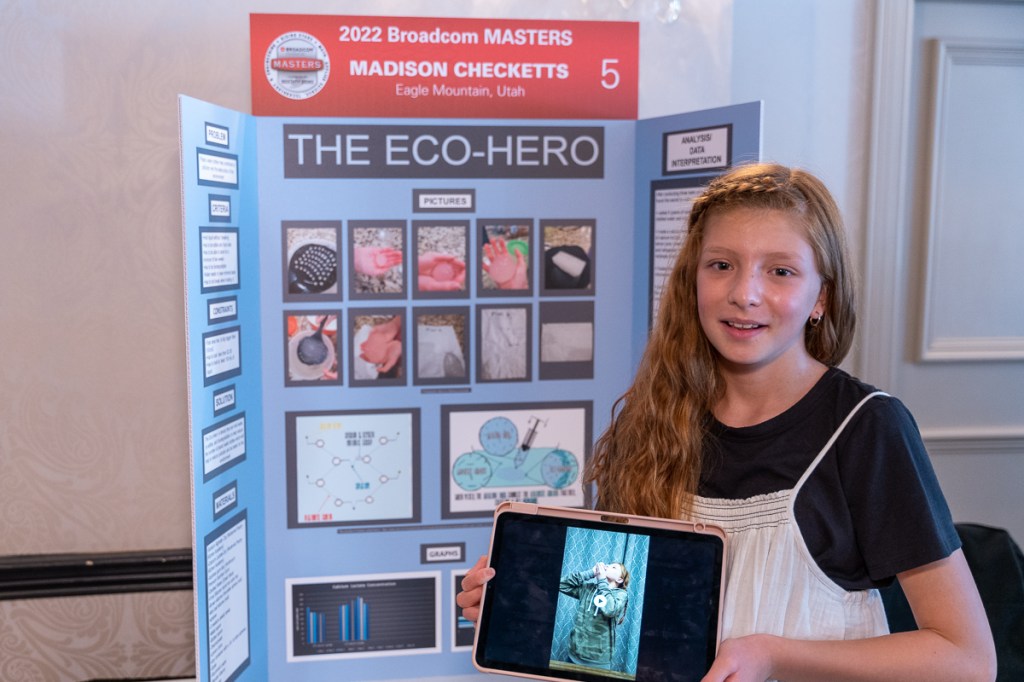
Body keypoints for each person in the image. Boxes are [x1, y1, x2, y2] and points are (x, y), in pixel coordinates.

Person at [457, 163, 996, 682]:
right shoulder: (648, 425)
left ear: (821, 298)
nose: (745, 293)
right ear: (693, 280)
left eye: (780, 271)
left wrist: (774, 657)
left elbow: (965, 658)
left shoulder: (866, 429)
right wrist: (524, 612)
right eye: (722, 265)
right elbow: (611, 644)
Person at [557, 561, 630, 670]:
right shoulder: (588, 588)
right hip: (573, 656)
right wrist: (591, 573)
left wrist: (602, 581)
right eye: (609, 565)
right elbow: (561, 584)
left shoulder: (620, 595)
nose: (608, 566)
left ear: (619, 579)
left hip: (598, 663)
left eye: (613, 567)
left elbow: (610, 610)